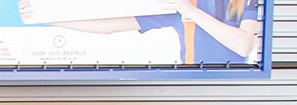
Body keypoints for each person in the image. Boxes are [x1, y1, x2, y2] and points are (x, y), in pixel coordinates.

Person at [18, 0, 260, 64]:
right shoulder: (180, 4)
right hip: (194, 91)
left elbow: (243, 45)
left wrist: (190, 11)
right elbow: (110, 25)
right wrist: (49, 18)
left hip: (232, 91)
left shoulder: (246, 2)